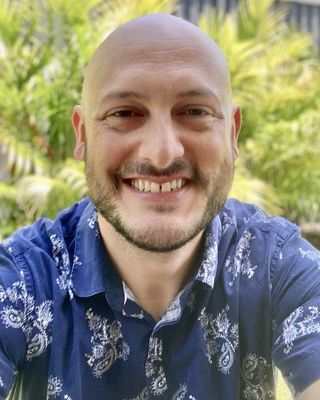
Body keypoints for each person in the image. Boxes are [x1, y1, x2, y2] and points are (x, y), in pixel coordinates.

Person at [0, 13, 319, 400]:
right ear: (82, 135)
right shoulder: (23, 281)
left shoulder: (276, 267)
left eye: (195, 112)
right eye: (124, 113)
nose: (163, 152)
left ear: (232, 133)